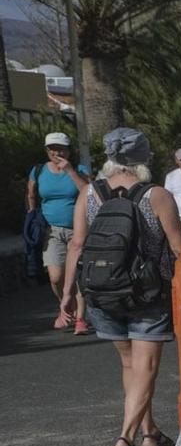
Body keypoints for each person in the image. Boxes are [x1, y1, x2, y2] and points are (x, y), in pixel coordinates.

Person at [59, 128, 181, 446]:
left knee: (130, 364)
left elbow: (77, 244)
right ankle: (125, 438)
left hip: (103, 291)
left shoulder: (90, 192)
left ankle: (150, 433)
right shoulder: (156, 195)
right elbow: (178, 248)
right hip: (147, 294)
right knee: (146, 366)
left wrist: (68, 293)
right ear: (144, 159)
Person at [26, 132, 93, 333]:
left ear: (69, 151)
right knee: (55, 276)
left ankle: (80, 318)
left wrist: (70, 171)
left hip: (78, 229)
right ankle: (67, 305)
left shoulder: (80, 169)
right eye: (53, 148)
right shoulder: (38, 171)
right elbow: (31, 194)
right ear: (47, 151)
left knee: (79, 275)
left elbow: (89, 193)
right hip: (51, 230)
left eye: (61, 148)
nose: (57, 152)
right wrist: (32, 216)